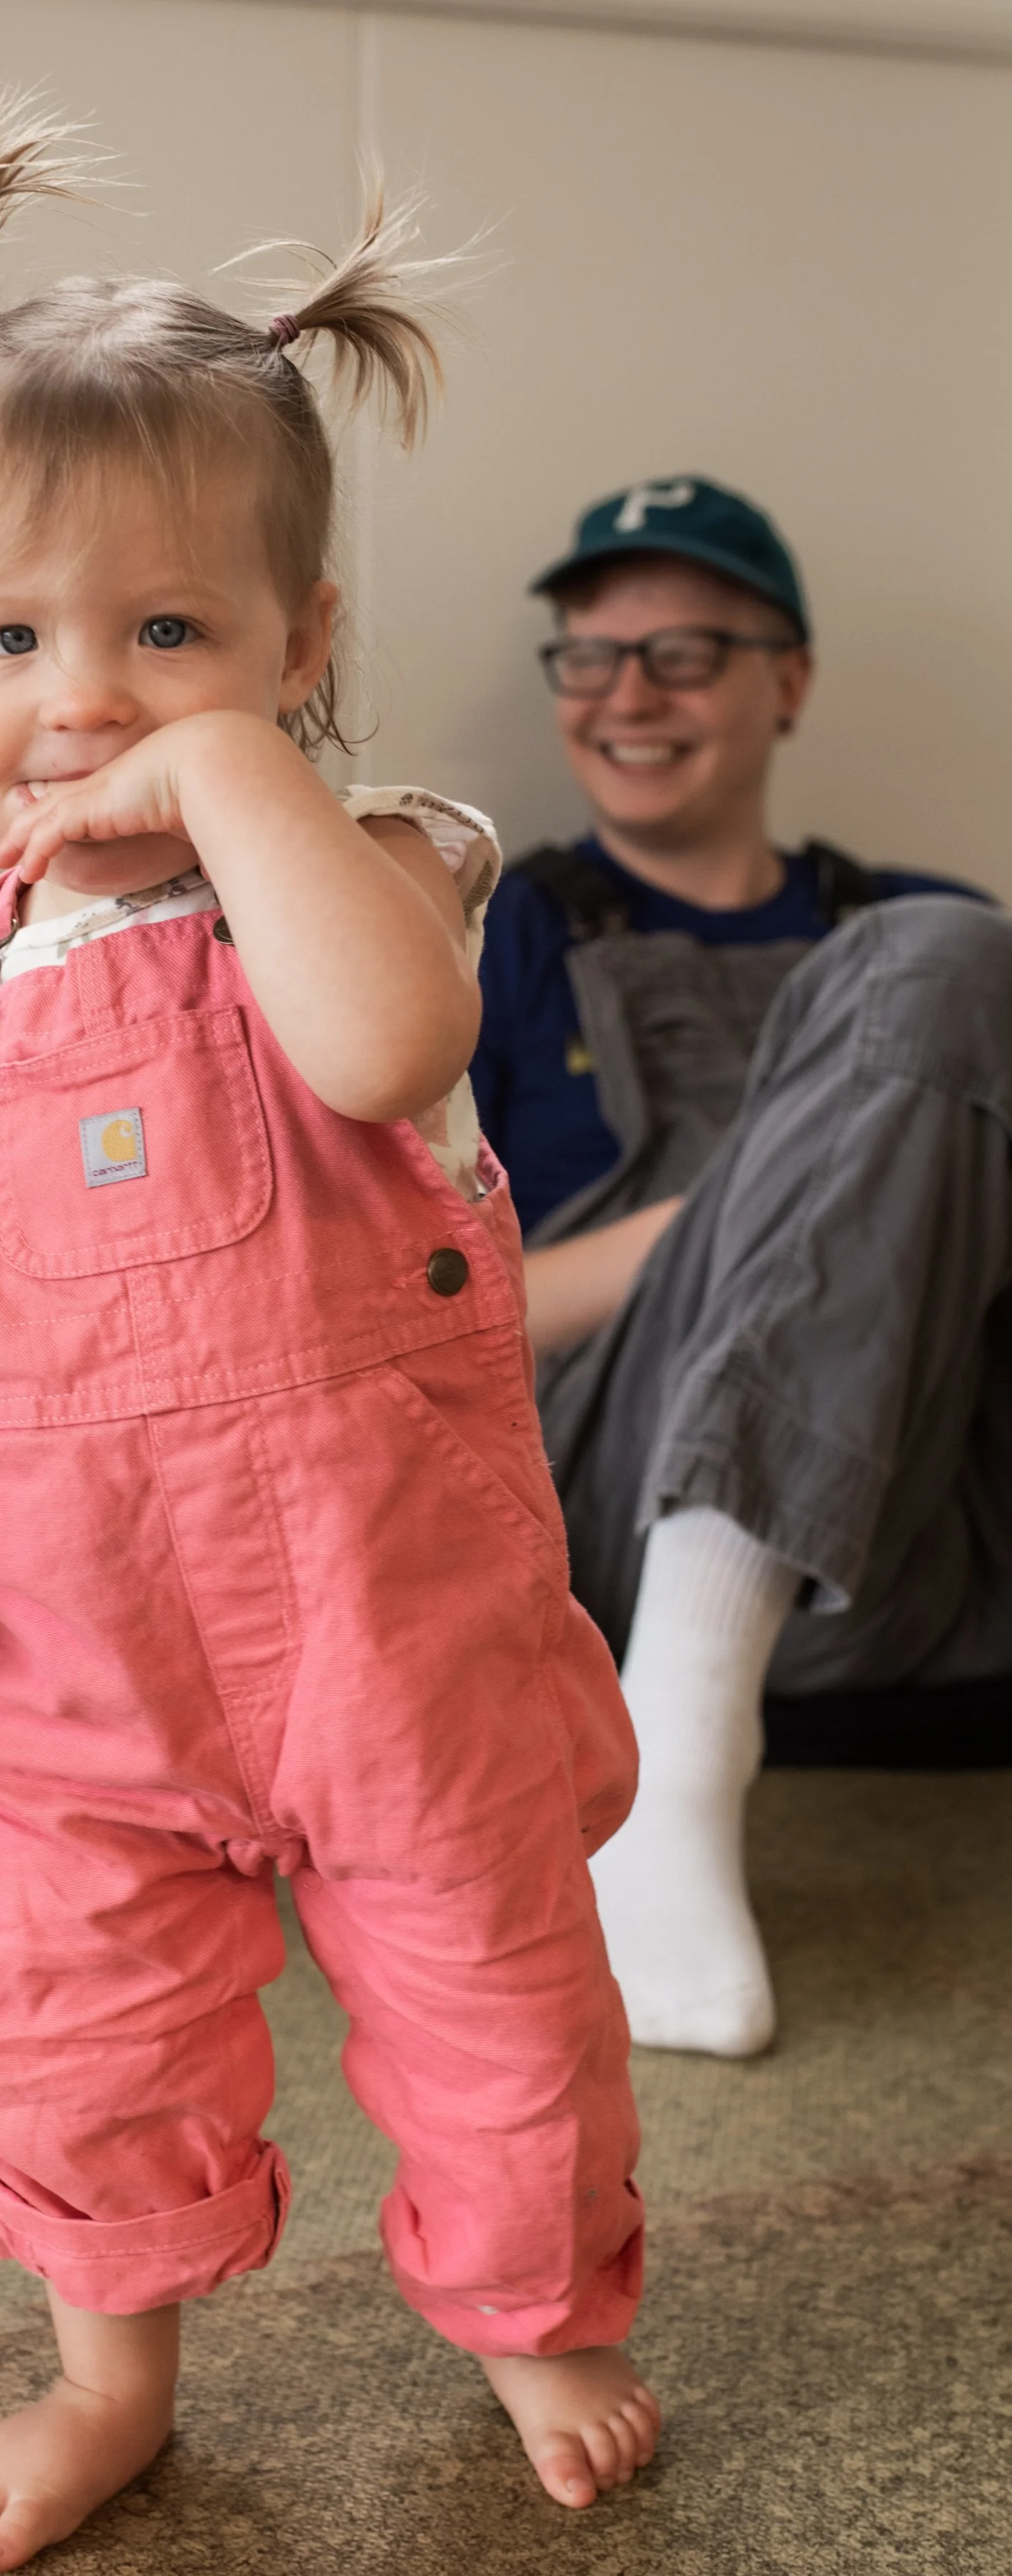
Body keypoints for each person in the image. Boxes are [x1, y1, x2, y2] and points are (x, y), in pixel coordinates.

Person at [0, 101, 660, 2576]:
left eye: (170, 636)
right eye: (9, 641)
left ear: (301, 645)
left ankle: (534, 2313)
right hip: (86, 1660)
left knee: (497, 2009)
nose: (87, 704)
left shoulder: (350, 880)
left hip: (390, 1633)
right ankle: (105, 2373)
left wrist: (238, 777)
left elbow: (381, 1052)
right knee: (59, 2022)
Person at [476, 474, 1012, 2059]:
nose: (626, 695)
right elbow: (419, 1316)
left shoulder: (923, 935)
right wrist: (736, 1221)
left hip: (915, 1535)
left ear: (788, 681)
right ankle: (676, 1739)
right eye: (589, 656)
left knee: (942, 959)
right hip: (607, 1506)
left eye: (685, 653)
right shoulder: (498, 936)